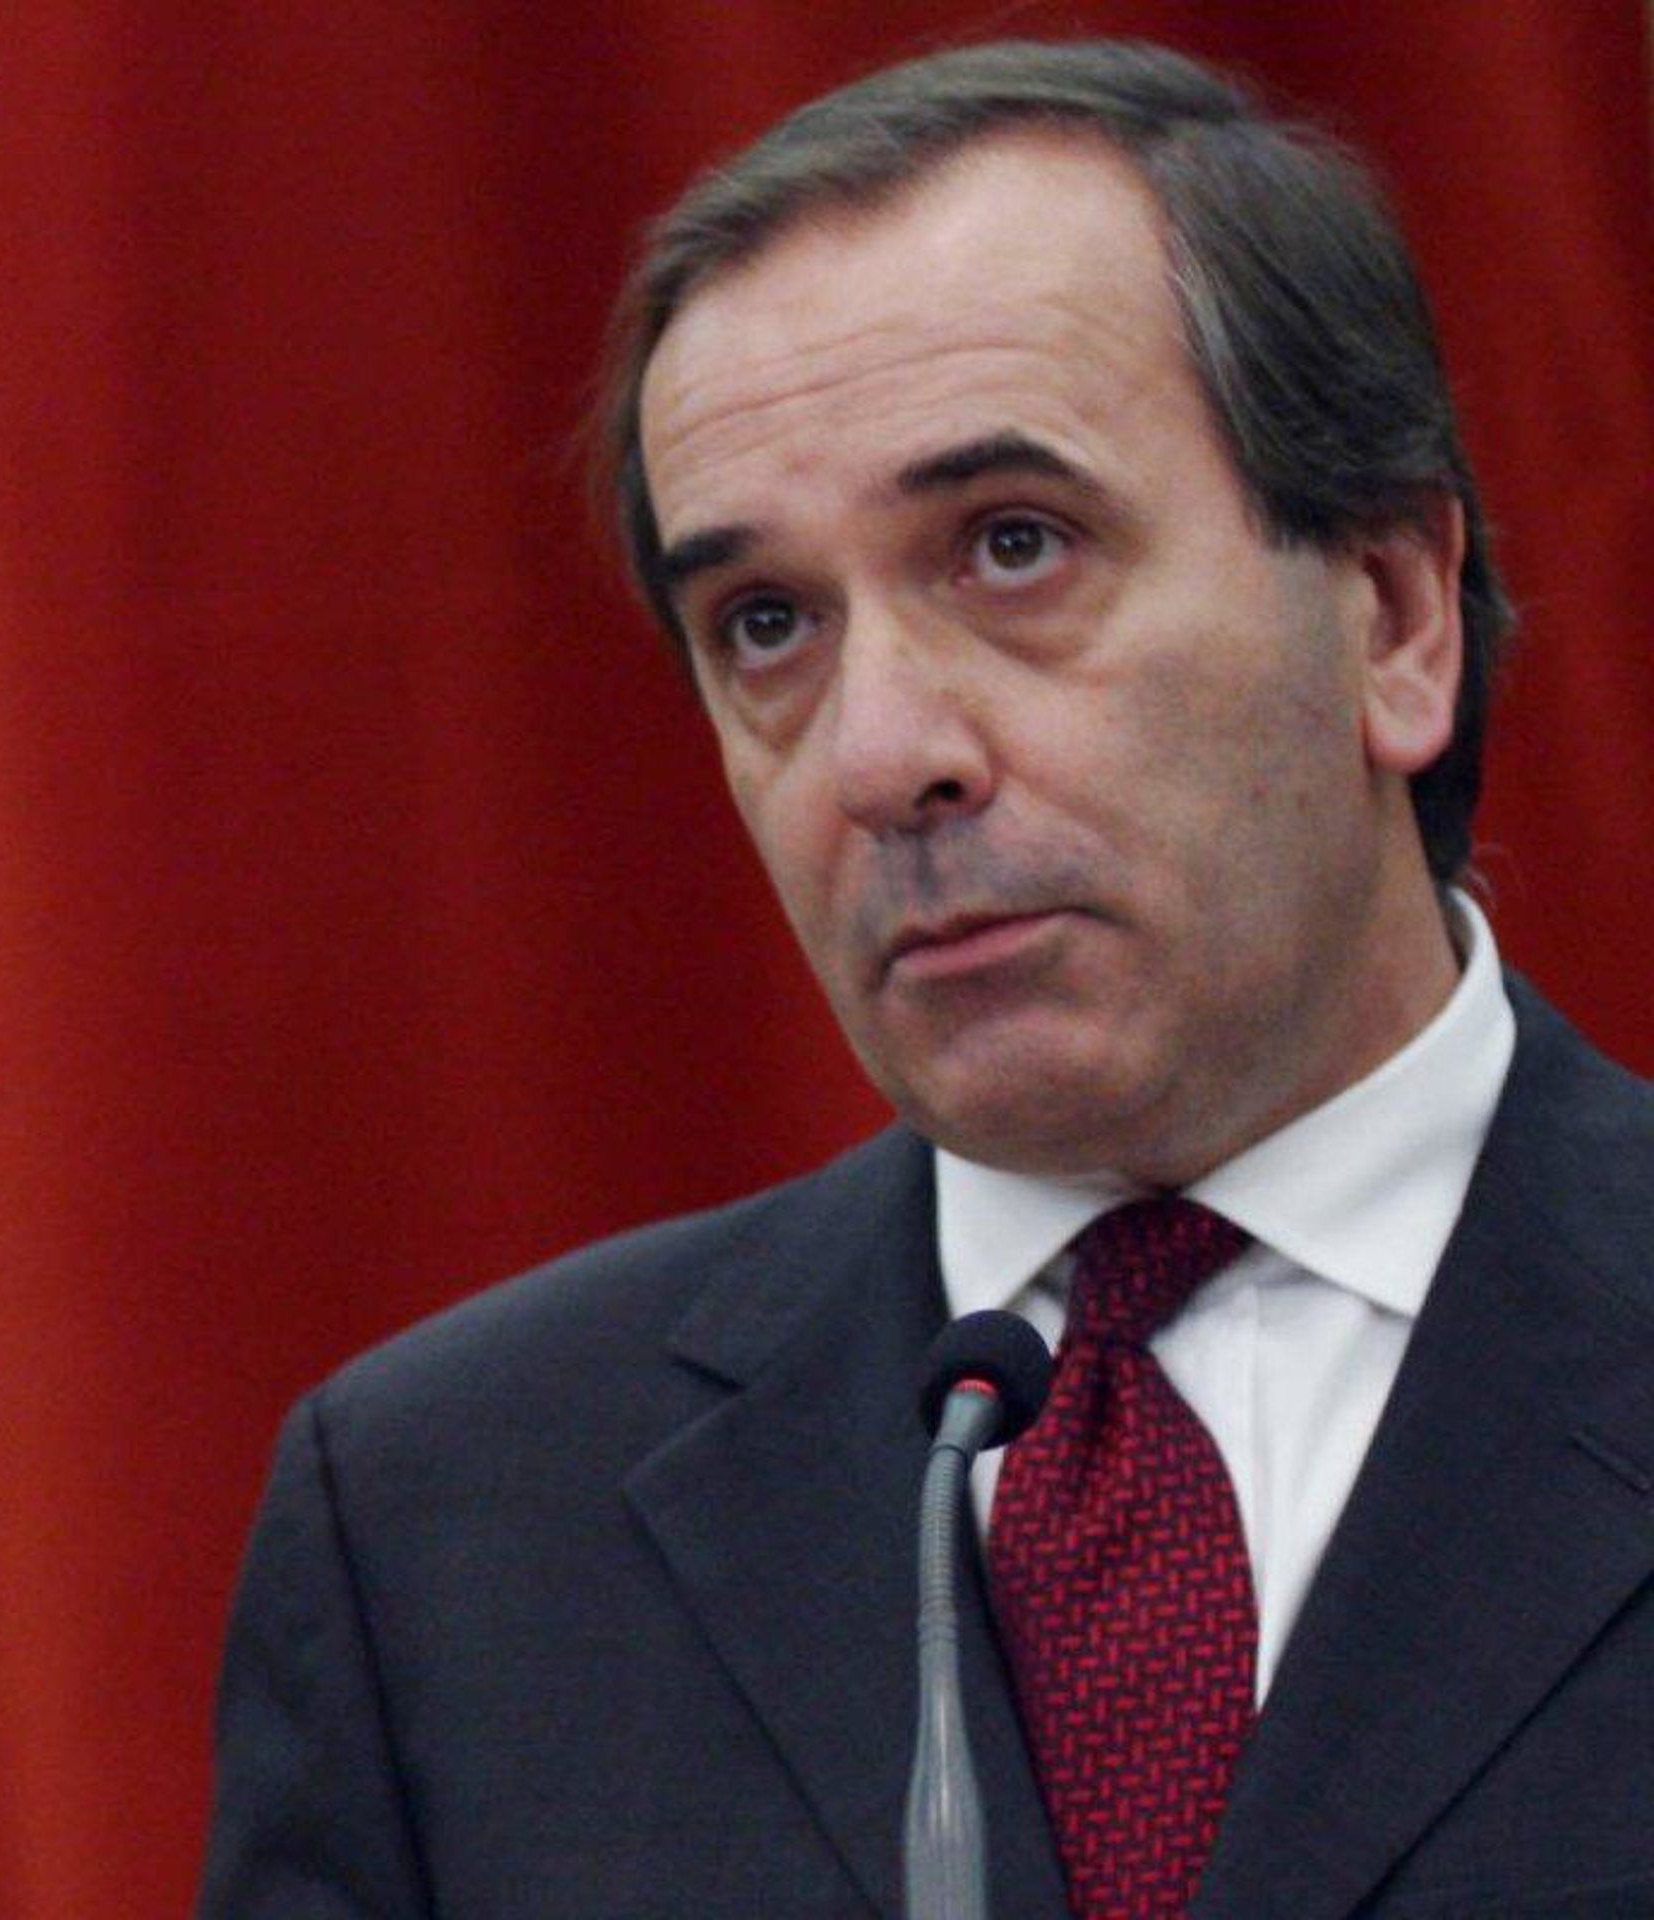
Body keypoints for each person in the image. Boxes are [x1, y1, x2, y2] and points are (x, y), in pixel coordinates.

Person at [198, 40, 1654, 1920]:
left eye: (1013, 547)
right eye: (767, 625)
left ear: (1391, 613)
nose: (882, 755)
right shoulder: (442, 1527)